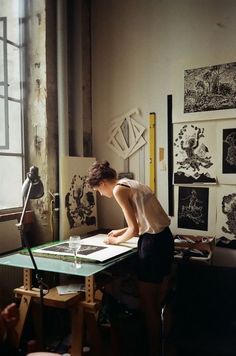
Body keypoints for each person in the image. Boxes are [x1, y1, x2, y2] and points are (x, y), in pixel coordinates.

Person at [87, 160, 174, 356]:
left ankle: (153, 351)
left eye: (98, 191)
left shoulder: (118, 190)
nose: (101, 195)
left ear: (102, 184)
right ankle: (161, 347)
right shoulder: (131, 183)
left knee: (148, 303)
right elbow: (140, 222)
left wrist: (114, 242)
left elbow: (135, 230)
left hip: (152, 244)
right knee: (159, 300)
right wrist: (119, 231)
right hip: (165, 239)